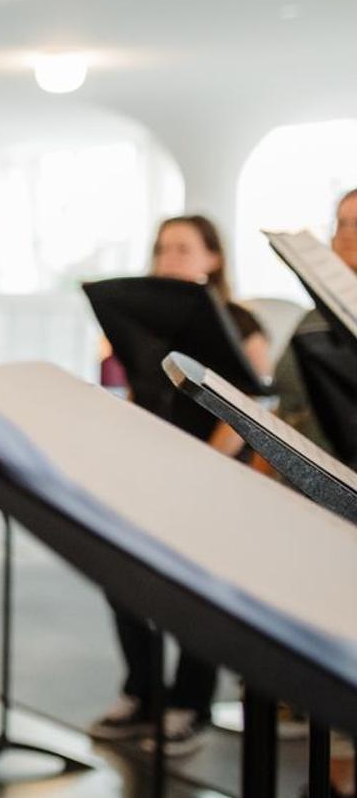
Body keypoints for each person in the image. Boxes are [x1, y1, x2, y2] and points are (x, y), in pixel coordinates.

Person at [86, 214, 272, 756]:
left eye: (184, 248)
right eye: (163, 248)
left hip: (212, 471)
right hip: (149, 467)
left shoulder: (239, 320)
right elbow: (134, 387)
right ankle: (142, 691)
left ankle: (191, 703)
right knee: (122, 577)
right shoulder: (137, 321)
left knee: (196, 589)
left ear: (214, 258)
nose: (170, 258)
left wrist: (206, 462)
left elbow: (253, 401)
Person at [266, 189, 357, 798]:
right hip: (318, 504)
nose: (347, 238)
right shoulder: (309, 321)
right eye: (341, 225)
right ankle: (336, 783)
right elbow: (284, 406)